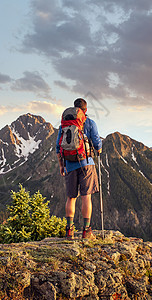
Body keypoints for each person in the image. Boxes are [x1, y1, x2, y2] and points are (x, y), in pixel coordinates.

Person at [56, 98, 102, 239]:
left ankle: (69, 231)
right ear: (85, 110)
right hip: (86, 163)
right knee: (86, 197)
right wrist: (98, 150)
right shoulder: (89, 123)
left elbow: (59, 148)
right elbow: (97, 143)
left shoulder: (64, 125)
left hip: (69, 164)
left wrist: (62, 166)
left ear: (74, 108)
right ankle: (86, 231)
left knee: (71, 198)